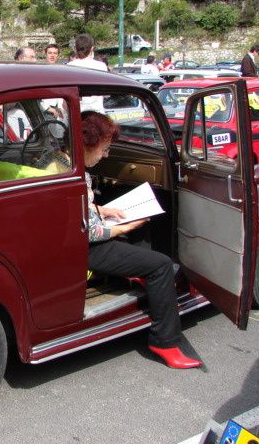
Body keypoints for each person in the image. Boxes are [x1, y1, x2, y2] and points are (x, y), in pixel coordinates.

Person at [82, 111, 201, 369]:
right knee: (160, 265)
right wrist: (127, 225)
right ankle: (166, 340)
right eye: (103, 149)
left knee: (133, 236)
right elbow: (92, 233)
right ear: (88, 144)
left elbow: (76, 210)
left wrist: (101, 210)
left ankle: (138, 279)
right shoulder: (80, 177)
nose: (106, 155)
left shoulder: (60, 162)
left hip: (68, 240)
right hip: (84, 249)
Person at [67, 34, 108, 112]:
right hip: (97, 114)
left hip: (76, 114)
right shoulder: (101, 66)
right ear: (92, 49)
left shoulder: (69, 67)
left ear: (75, 49)